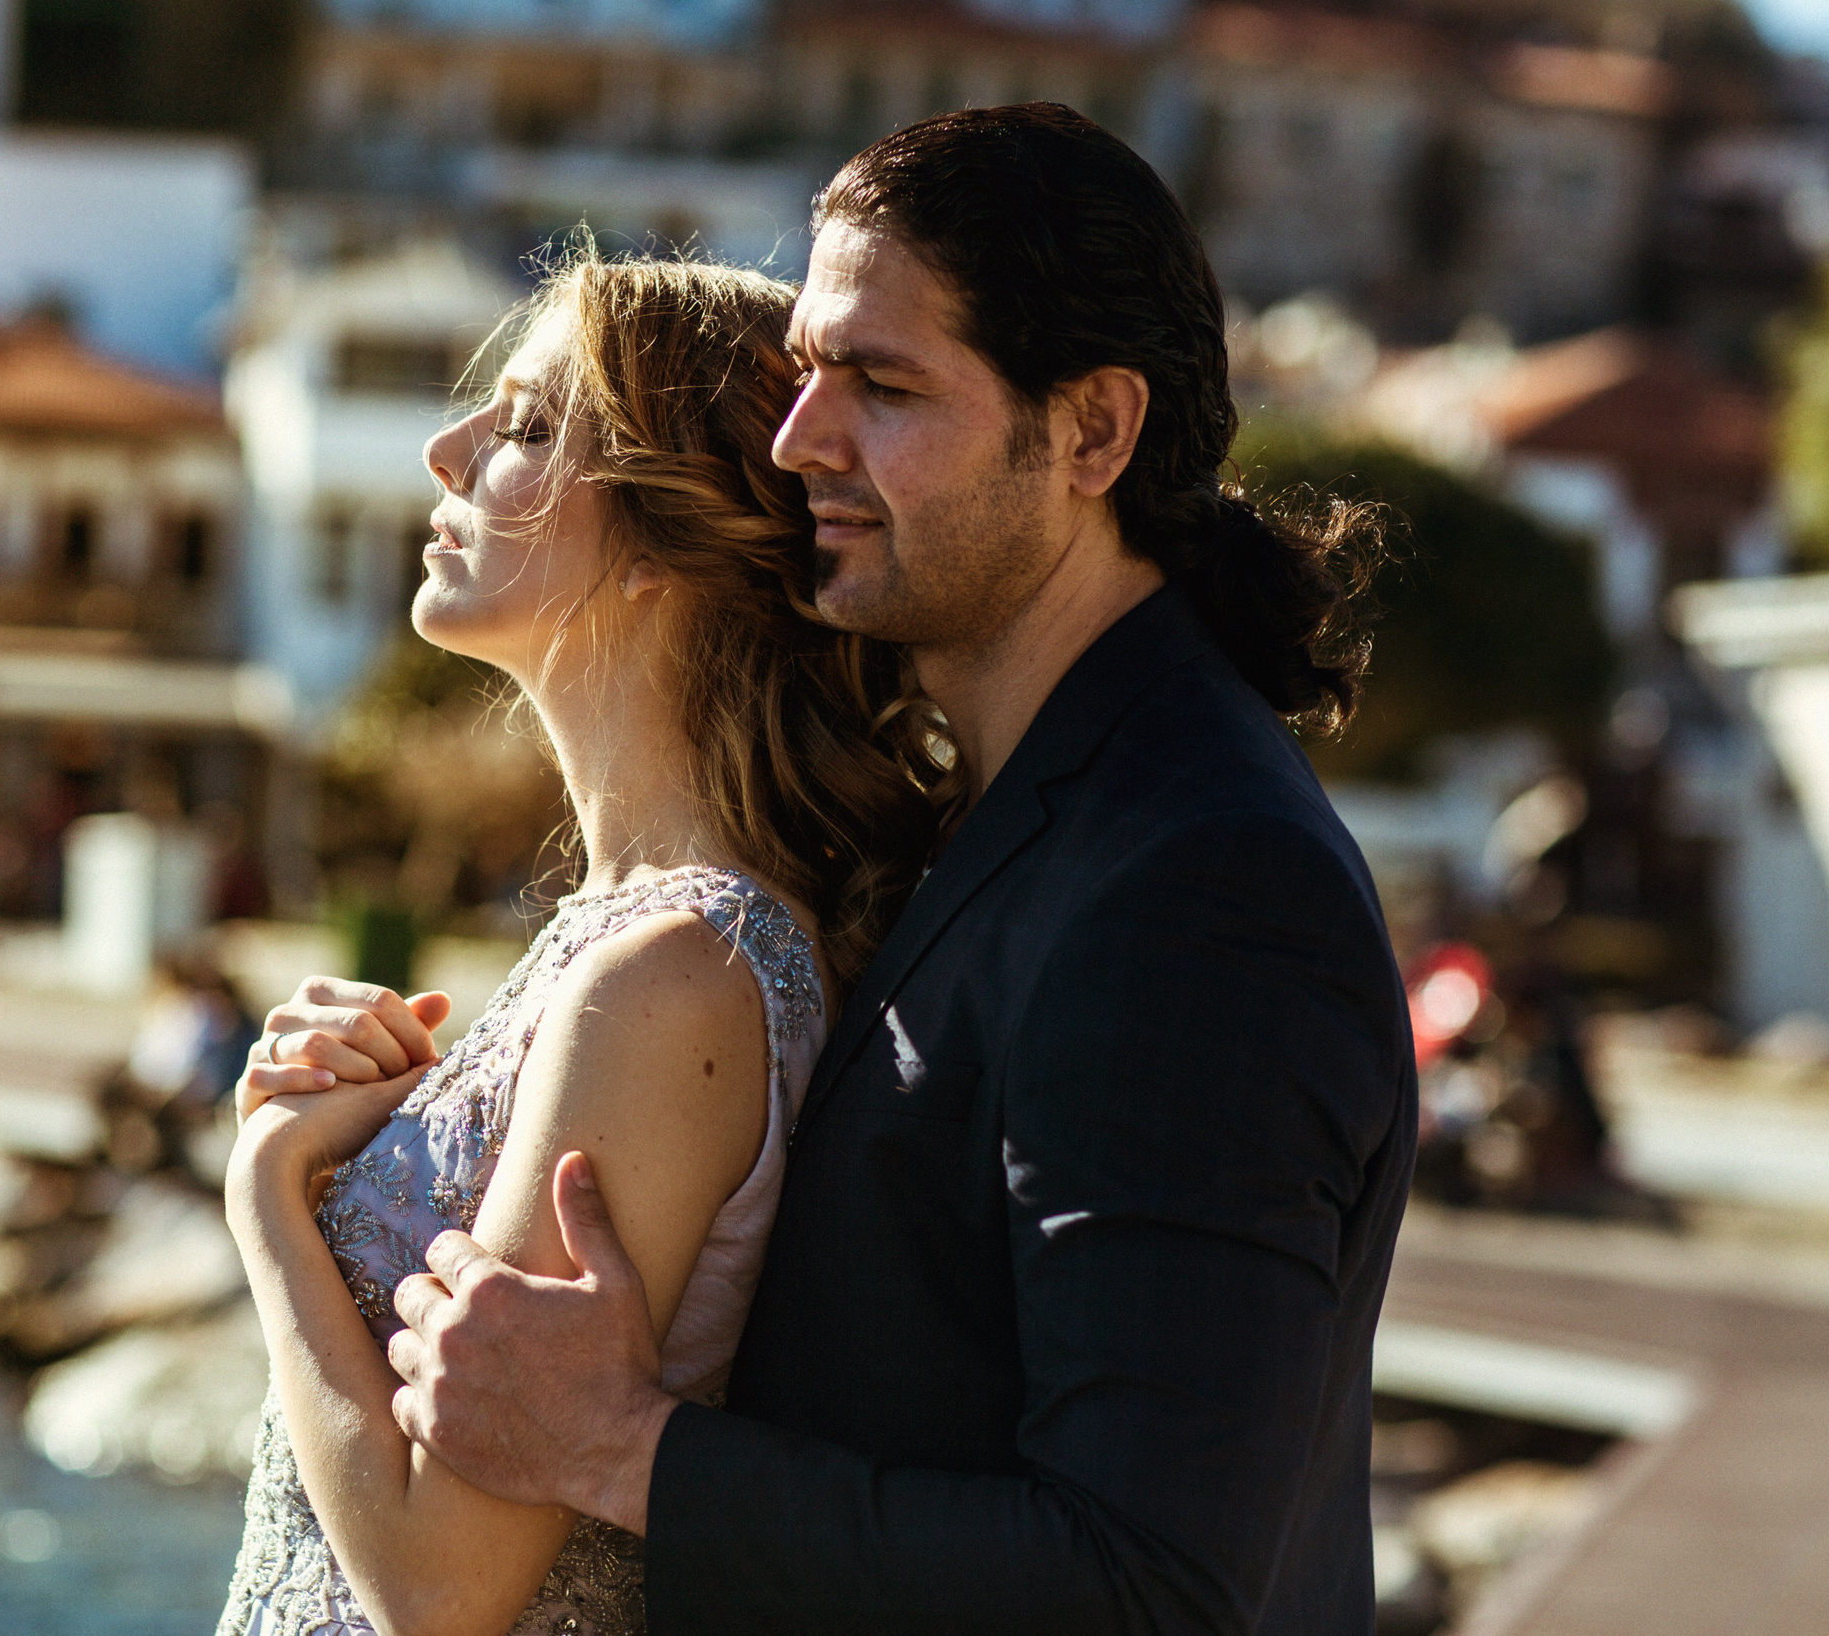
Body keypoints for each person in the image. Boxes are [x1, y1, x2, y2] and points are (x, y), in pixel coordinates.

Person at [296, 106, 1419, 1632]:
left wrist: (630, 1455)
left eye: (880, 385)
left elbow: (1151, 1584)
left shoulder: (1200, 882)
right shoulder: (1025, 811)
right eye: (811, 370)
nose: (797, 437)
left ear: (1094, 431)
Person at [214, 255, 951, 1635]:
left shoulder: (676, 978)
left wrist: (268, 1194)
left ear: (674, 544)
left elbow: (442, 1584)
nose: (448, 450)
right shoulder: (640, 943)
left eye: (532, 426)